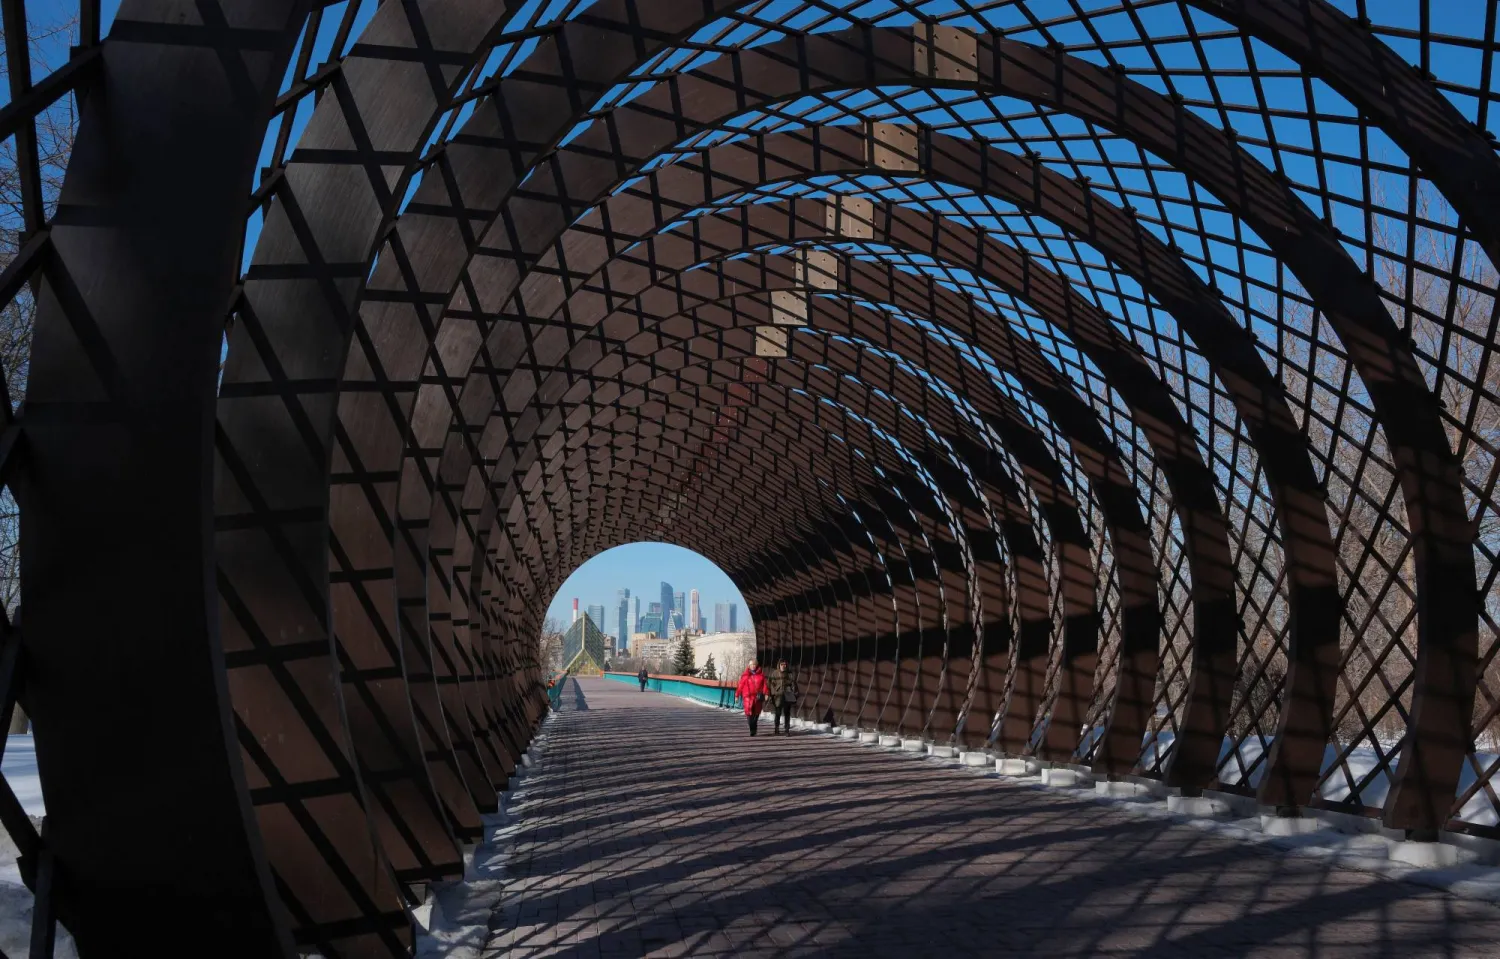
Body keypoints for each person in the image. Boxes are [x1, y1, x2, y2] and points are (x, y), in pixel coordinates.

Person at [735, 660, 770, 736]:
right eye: (751, 664)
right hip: (747, 698)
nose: (753, 666)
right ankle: (752, 728)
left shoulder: (761, 675)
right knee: (749, 714)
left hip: (757, 698)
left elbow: (765, 686)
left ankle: (754, 727)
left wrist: (766, 693)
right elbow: (740, 686)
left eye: (754, 664)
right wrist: (737, 695)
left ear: (756, 665)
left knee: (756, 713)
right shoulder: (745, 676)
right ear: (749, 666)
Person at [768, 659, 798, 735]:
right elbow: (771, 684)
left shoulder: (789, 674)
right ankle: (776, 728)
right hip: (778, 696)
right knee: (778, 713)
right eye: (782, 664)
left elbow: (793, 684)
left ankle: (787, 730)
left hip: (787, 695)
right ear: (779, 665)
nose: (783, 666)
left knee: (787, 713)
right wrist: (773, 693)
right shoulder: (775, 673)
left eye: (784, 664)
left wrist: (794, 693)